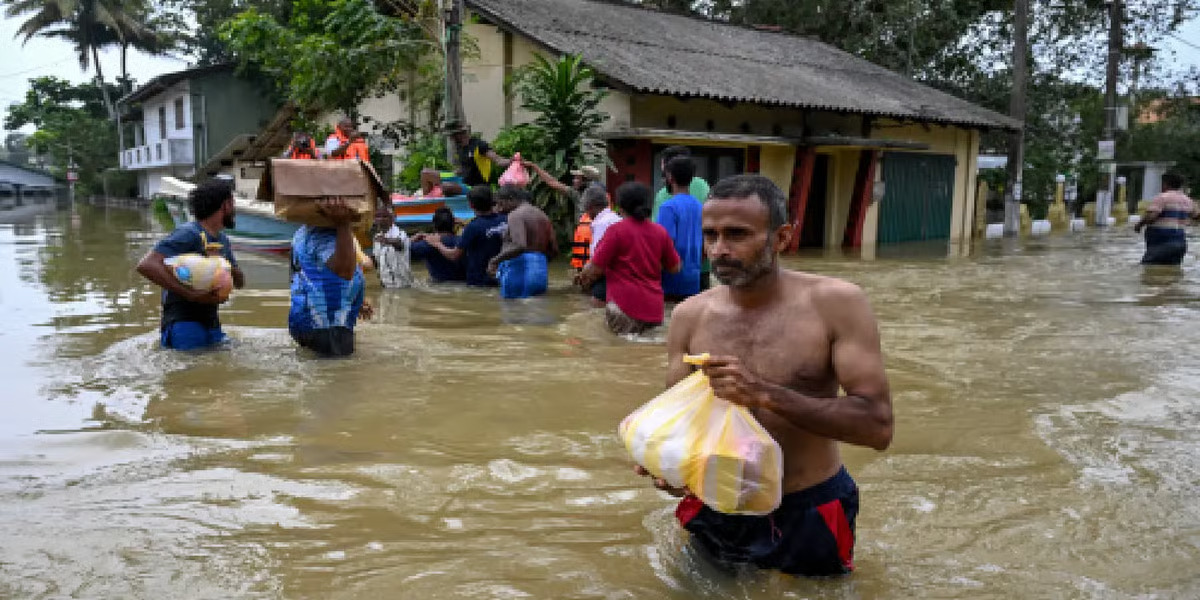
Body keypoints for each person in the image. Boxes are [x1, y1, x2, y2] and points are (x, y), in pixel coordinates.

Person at [636, 174, 893, 578]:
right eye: (711, 235)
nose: (719, 250)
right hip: (714, 504)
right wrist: (665, 465)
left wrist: (765, 394)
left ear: (782, 237)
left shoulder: (836, 304)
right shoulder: (689, 316)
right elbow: (681, 424)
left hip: (808, 507)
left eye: (737, 235)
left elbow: (877, 428)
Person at [136, 180, 246, 350]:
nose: (234, 210)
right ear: (226, 205)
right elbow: (146, 265)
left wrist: (226, 267)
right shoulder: (188, 233)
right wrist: (191, 295)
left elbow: (239, 283)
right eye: (233, 204)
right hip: (184, 323)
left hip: (211, 324)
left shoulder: (222, 240)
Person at [577, 182, 680, 335]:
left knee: (617, 352)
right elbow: (675, 268)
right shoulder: (660, 232)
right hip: (654, 309)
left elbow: (595, 268)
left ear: (620, 206)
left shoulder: (616, 231)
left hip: (623, 308)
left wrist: (580, 277)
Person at [288, 197, 373, 357]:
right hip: (327, 327)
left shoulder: (303, 232)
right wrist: (343, 223)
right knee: (341, 378)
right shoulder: (322, 235)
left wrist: (354, 301)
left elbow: (305, 276)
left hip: (311, 321)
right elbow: (345, 271)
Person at [652, 147, 712, 289]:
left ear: (670, 174)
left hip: (672, 276)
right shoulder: (702, 192)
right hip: (697, 272)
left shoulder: (666, 202)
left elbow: (663, 240)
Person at [427, 186, 506, 287]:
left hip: (479, 282)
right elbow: (488, 228)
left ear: (471, 205)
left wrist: (437, 244)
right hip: (501, 276)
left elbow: (454, 255)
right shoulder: (504, 219)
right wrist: (465, 224)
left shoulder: (473, 227)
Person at [488, 186, 557, 299]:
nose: (499, 209)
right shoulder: (543, 215)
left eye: (501, 204)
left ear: (510, 199)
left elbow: (519, 245)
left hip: (519, 268)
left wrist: (494, 261)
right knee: (535, 311)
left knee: (513, 311)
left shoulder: (515, 215)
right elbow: (554, 249)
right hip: (540, 269)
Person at [1134, 172, 1198, 266]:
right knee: (1171, 271)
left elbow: (1152, 217)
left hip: (1161, 243)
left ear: (1165, 184)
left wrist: (1139, 224)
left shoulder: (1162, 197)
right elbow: (1197, 216)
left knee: (1147, 269)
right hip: (1180, 244)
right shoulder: (1187, 200)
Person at [410, 207, 467, 283]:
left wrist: (413, 238)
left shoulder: (427, 244)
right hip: (463, 284)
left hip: (438, 286)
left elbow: (403, 250)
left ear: (434, 225)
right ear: (454, 225)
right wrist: (464, 224)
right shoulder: (463, 241)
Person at [449, 122, 511, 187]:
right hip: (467, 186)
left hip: (481, 187)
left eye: (453, 136)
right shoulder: (460, 148)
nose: (451, 139)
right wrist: (454, 173)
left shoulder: (479, 145)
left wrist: (512, 161)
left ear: (459, 135)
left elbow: (498, 160)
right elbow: (465, 166)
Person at [371, 208, 413, 289]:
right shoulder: (377, 237)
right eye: (378, 216)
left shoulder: (401, 233)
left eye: (385, 216)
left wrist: (386, 241)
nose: (380, 219)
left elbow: (399, 244)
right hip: (386, 285)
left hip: (402, 286)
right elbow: (377, 260)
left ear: (392, 218)